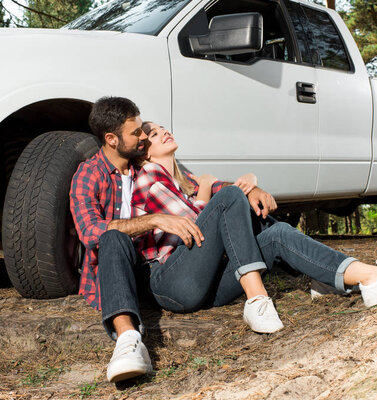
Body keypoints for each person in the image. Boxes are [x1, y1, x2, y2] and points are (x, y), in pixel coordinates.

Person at [131, 121, 377, 330]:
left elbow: (232, 192)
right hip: (172, 283)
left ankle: (368, 278)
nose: (165, 133)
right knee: (228, 199)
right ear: (144, 152)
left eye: (164, 128)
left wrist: (251, 185)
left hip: (203, 283)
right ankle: (256, 299)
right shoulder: (148, 177)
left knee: (277, 233)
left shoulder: (187, 181)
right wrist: (211, 190)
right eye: (156, 134)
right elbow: (195, 225)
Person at [69, 97, 260, 383]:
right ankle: (128, 342)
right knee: (111, 237)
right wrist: (155, 219)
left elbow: (195, 185)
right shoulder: (89, 175)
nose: (143, 136)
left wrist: (249, 189)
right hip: (116, 268)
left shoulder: (143, 167)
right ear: (111, 139)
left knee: (266, 232)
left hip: (156, 268)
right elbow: (90, 233)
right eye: (136, 133)